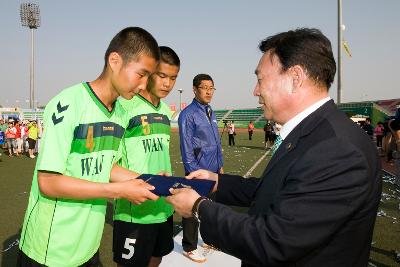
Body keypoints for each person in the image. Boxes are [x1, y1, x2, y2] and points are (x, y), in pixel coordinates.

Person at [166, 28, 381, 267]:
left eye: (260, 79)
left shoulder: (338, 150)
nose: (255, 91)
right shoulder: (313, 132)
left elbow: (273, 241)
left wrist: (198, 207)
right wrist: (217, 181)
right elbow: (276, 188)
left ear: (295, 78)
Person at [18, 27, 160, 267]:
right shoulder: (68, 104)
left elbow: (106, 166)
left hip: (88, 248)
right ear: (114, 60)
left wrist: (147, 180)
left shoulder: (120, 112)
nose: (144, 85)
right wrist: (120, 191)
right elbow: (49, 182)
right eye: (141, 74)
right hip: (51, 252)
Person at [113, 46, 180, 267]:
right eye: (162, 76)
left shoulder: (164, 111)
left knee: (157, 256)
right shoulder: (123, 107)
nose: (167, 84)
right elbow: (107, 165)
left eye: (173, 78)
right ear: (149, 72)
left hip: (162, 206)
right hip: (135, 210)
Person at [178, 73, 224, 263]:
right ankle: (189, 246)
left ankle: (207, 238)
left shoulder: (210, 110)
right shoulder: (188, 114)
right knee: (192, 208)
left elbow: (216, 141)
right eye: (204, 87)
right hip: (197, 171)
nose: (208, 91)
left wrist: (220, 165)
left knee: (208, 207)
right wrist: (192, 171)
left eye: (211, 87)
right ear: (195, 89)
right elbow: (186, 146)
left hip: (212, 170)